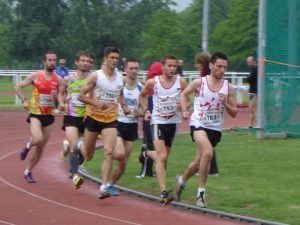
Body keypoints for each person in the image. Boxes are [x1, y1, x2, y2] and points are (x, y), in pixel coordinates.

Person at [177, 52, 237, 208]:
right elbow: (184, 94)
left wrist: (225, 104)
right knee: (208, 153)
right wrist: (184, 109)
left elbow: (234, 113)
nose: (222, 70)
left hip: (215, 129)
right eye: (219, 66)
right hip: (198, 124)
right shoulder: (199, 83)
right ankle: (201, 194)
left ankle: (181, 181)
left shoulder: (228, 87)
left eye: (225, 67)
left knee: (198, 164)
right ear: (211, 66)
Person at [77, 47, 129, 199]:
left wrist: (124, 106)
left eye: (116, 58)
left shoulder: (121, 79)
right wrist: (96, 103)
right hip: (93, 118)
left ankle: (103, 186)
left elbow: (120, 94)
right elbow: (81, 96)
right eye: (111, 57)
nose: (114, 61)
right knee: (88, 156)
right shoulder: (96, 76)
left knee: (108, 151)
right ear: (105, 59)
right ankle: (78, 145)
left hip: (110, 120)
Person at [139, 54, 188, 205]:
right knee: (161, 157)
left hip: (173, 123)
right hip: (158, 121)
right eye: (170, 66)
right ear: (163, 66)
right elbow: (141, 96)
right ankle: (164, 193)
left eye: (175, 66)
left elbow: (187, 97)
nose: (173, 69)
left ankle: (146, 152)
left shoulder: (181, 82)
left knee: (165, 156)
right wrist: (147, 110)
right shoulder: (153, 82)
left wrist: (183, 107)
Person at [15, 51, 63, 183]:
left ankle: (28, 171)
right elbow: (18, 86)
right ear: (44, 61)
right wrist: (24, 100)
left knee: (41, 147)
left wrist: (57, 100)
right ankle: (28, 145)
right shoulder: (36, 75)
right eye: (50, 60)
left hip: (49, 115)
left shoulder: (58, 79)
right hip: (36, 113)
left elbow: (60, 101)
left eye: (54, 60)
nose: (52, 62)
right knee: (37, 138)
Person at [106, 58, 144, 195]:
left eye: (136, 68)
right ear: (125, 70)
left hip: (132, 126)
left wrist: (138, 113)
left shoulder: (141, 88)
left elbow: (145, 112)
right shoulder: (119, 85)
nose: (134, 71)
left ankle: (110, 184)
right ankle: (108, 155)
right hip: (117, 123)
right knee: (119, 154)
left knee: (124, 162)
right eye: (131, 68)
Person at [58, 51, 95, 189]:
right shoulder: (68, 79)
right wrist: (61, 103)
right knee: (76, 143)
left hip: (88, 117)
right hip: (71, 116)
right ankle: (75, 176)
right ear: (77, 62)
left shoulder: (93, 78)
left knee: (84, 152)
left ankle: (72, 166)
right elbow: (61, 94)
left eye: (88, 61)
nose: (85, 63)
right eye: (83, 60)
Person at [194, 52, 219, 176]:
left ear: (203, 64)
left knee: (206, 144)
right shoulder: (204, 76)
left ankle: (209, 169)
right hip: (207, 113)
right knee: (205, 144)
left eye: (198, 63)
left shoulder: (207, 77)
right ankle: (204, 167)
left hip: (207, 113)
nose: (195, 65)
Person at [137, 61, 163, 178]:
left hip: (152, 107)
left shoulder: (151, 82)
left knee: (149, 143)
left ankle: (146, 171)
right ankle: (159, 170)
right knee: (161, 145)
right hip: (161, 113)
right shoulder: (162, 81)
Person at [246, 56, 257, 128]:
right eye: (247, 62)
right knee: (251, 109)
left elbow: (249, 79)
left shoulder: (256, 70)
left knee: (252, 109)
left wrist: (248, 78)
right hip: (252, 91)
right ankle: (251, 125)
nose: (248, 64)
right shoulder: (253, 70)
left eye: (250, 62)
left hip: (255, 92)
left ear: (254, 61)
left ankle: (251, 125)